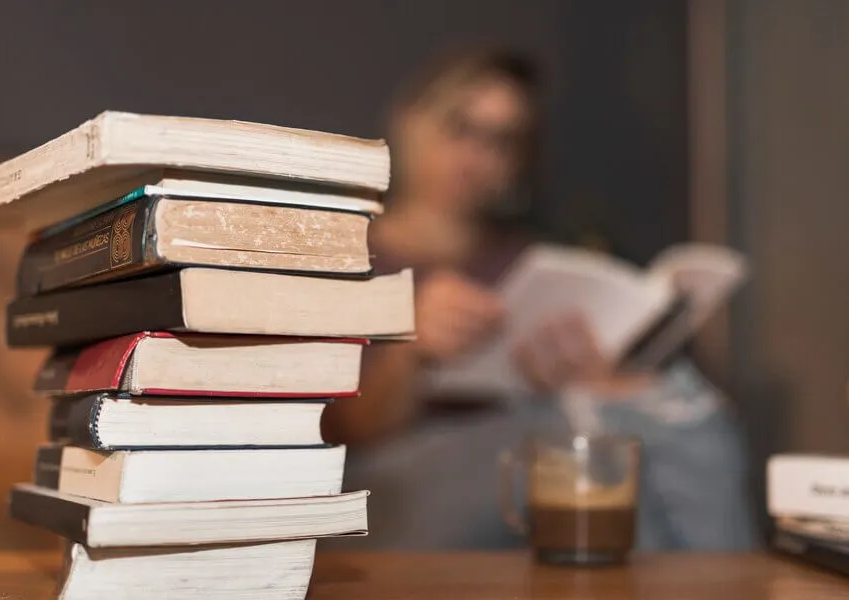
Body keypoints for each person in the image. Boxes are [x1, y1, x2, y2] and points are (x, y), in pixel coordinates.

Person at [322, 48, 759, 551]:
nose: (476, 157)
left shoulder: (536, 263)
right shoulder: (346, 258)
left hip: (521, 470)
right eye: (459, 126)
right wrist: (410, 351)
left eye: (501, 141)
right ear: (408, 122)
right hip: (395, 485)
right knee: (589, 440)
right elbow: (335, 433)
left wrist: (596, 380)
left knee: (682, 406)